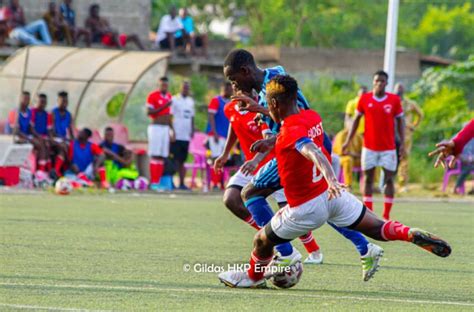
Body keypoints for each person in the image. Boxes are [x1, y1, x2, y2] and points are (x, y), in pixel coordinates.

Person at [217, 74, 451, 288]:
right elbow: (296, 132)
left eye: (268, 105)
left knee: (262, 241)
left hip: (306, 207)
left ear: (275, 104)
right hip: (334, 199)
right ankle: (408, 233)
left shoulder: (290, 132)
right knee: (378, 228)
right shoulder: (312, 117)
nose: (268, 110)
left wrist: (331, 178)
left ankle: (253, 277)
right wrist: (269, 129)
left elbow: (310, 150)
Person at [223, 49, 382, 281]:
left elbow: (298, 115)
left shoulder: (273, 87)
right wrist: (263, 121)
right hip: (305, 145)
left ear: (245, 71)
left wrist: (259, 109)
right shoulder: (274, 74)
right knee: (320, 206)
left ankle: (285, 253)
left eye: (233, 78)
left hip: (307, 147)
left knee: (252, 194)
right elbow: (281, 122)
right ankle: (364, 247)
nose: (233, 84)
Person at [214, 93, 324, 264]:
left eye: (237, 84)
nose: (235, 88)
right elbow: (234, 126)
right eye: (232, 83)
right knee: (231, 199)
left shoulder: (263, 111)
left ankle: (314, 251)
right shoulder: (229, 108)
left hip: (272, 164)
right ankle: (275, 241)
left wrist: (256, 159)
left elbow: (270, 139)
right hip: (250, 166)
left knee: (291, 213)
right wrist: (225, 153)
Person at [342, 70, 405, 220]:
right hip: (369, 147)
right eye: (376, 81)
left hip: (388, 148)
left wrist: (401, 143)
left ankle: (386, 215)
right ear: (373, 82)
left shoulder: (394, 100)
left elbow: (400, 122)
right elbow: (356, 120)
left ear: (386, 83)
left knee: (389, 179)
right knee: (368, 178)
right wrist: (348, 140)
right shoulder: (364, 99)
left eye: (382, 81)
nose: (379, 83)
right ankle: (369, 215)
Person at [394, 83, 423, 192]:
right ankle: (388, 183)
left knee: (404, 157)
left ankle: (402, 184)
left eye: (401, 89)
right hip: (392, 132)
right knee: (390, 157)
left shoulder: (410, 104)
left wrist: (413, 126)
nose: (399, 91)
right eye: (397, 89)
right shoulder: (391, 102)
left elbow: (420, 115)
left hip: (406, 133)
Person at [146, 76, 175, 190]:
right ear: (159, 85)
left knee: (163, 156)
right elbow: (149, 112)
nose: (164, 87)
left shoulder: (168, 96)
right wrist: (164, 106)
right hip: (156, 128)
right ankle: (153, 182)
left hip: (165, 129)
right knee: (155, 154)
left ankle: (158, 182)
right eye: (162, 85)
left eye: (166, 85)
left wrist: (172, 130)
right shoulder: (152, 96)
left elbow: (169, 116)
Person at [9, 91, 48, 172]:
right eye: (25, 98)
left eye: (28, 99)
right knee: (36, 143)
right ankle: (33, 170)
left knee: (42, 142)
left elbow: (30, 128)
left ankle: (41, 172)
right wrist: (29, 139)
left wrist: (38, 136)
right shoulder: (14, 112)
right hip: (15, 137)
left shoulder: (28, 112)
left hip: (25, 136)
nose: (27, 101)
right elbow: (15, 131)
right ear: (20, 99)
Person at [206, 82, 232, 189]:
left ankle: (220, 183)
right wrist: (214, 132)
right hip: (216, 135)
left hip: (226, 135)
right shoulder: (216, 100)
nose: (230, 91)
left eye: (231, 89)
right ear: (223, 89)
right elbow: (211, 116)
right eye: (228, 89)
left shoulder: (230, 102)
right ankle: (214, 183)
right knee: (215, 158)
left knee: (223, 160)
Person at [171, 81, 195, 190]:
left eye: (187, 88)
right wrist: (172, 132)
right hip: (176, 135)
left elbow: (192, 117)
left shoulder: (190, 101)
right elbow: (170, 116)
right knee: (175, 160)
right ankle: (172, 182)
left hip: (186, 135)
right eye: (184, 87)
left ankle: (181, 183)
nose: (186, 89)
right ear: (180, 88)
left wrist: (192, 129)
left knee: (182, 160)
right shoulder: (175, 99)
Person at [50, 91, 74, 178]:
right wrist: (61, 138)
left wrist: (73, 141)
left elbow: (71, 131)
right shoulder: (53, 113)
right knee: (64, 146)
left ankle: (62, 170)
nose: (64, 103)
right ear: (58, 101)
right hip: (54, 137)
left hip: (63, 139)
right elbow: (51, 131)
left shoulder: (69, 115)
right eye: (62, 101)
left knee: (70, 147)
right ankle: (56, 171)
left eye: (65, 101)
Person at [333, 122, 363, 190]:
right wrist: (354, 154)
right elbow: (342, 152)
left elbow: (363, 150)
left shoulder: (358, 135)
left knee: (369, 162)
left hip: (356, 158)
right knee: (348, 160)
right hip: (341, 158)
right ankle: (348, 185)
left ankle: (370, 185)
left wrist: (355, 154)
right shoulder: (341, 135)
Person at [30, 93, 53, 172]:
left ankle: (48, 171)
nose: (43, 104)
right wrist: (40, 136)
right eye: (41, 102)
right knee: (42, 145)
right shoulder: (32, 112)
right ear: (36, 102)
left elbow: (49, 130)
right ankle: (41, 171)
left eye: (44, 102)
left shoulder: (47, 115)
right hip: (33, 136)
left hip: (43, 137)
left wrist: (50, 139)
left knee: (48, 145)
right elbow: (31, 129)